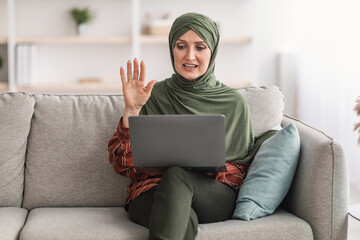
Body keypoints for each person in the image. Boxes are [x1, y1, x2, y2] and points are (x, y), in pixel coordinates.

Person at [108, 12, 265, 240]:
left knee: (177, 176)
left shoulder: (233, 102)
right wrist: (131, 109)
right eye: (181, 46)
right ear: (172, 48)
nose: (189, 56)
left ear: (212, 51)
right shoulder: (152, 95)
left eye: (200, 47)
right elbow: (121, 165)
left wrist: (199, 169)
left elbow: (240, 169)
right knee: (183, 218)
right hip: (151, 191)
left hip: (213, 194)